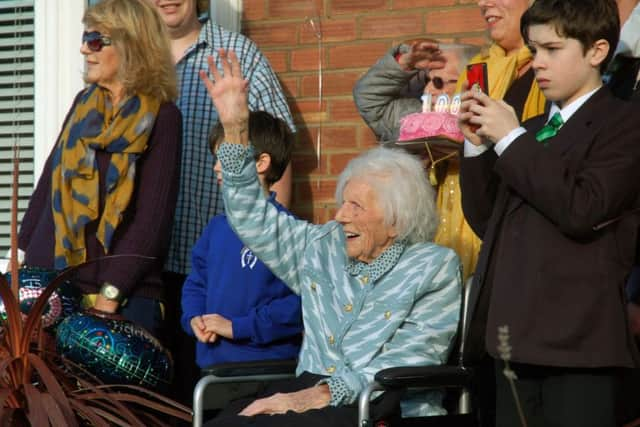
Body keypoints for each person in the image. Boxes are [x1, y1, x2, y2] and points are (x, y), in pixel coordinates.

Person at [198, 49, 462, 427]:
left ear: (396, 220)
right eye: (342, 203)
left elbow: (406, 364)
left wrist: (313, 397)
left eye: (355, 206)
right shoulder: (323, 247)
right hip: (311, 393)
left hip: (382, 405)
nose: (340, 216)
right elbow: (252, 217)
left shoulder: (432, 268)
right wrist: (236, 129)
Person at [458, 0, 640, 425]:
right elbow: (491, 222)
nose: (538, 63)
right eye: (533, 49)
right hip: (512, 345)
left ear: (596, 52)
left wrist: (511, 139)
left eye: (552, 50)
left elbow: (582, 206)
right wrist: (477, 145)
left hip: (578, 348)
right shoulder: (532, 129)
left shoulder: (625, 124)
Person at [150, 0, 295, 403]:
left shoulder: (236, 54)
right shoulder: (134, 59)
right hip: (144, 269)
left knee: (205, 395)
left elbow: (276, 150)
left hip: (223, 267)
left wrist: (268, 237)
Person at [17, 0, 181, 336]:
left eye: (94, 41)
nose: (83, 49)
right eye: (85, 38)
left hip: (120, 302)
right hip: (53, 293)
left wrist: (110, 296)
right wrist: (18, 266)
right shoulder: (83, 105)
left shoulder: (163, 118)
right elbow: (47, 189)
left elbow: (151, 223)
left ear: (130, 46)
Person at [181, 110, 302, 370]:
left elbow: (300, 305)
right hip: (212, 368)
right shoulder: (216, 229)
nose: (215, 167)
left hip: (267, 368)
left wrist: (238, 327)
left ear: (261, 163)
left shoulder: (287, 230)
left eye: (224, 157)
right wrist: (194, 319)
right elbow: (196, 284)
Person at [353, 40, 480, 143]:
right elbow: (367, 97)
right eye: (427, 80)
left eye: (438, 82)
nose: (428, 89)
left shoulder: (487, 122)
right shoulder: (411, 118)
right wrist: (404, 63)